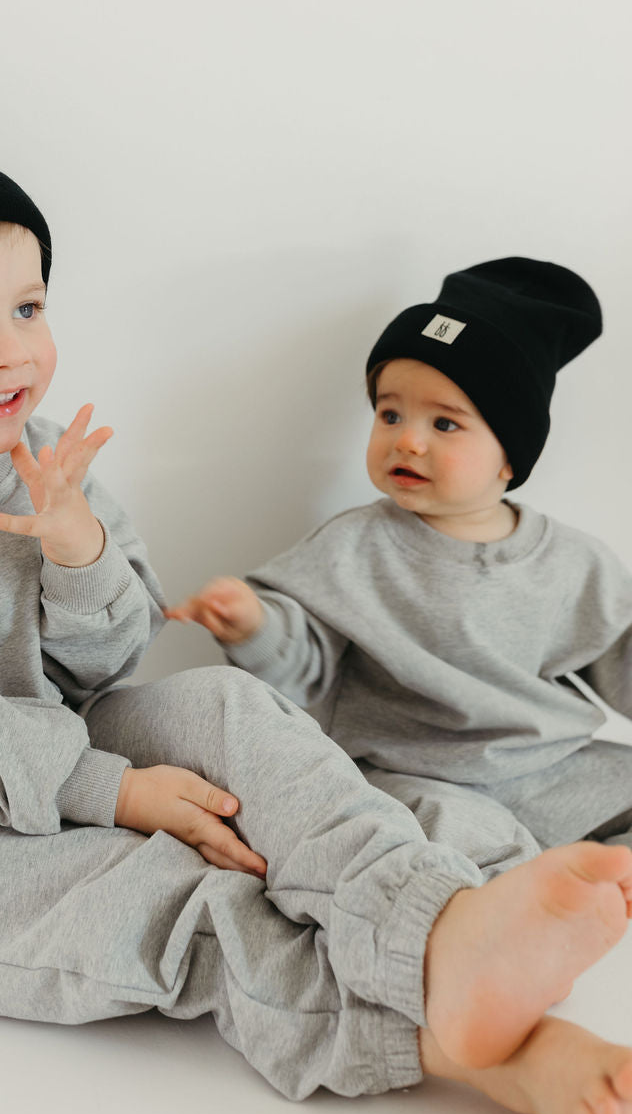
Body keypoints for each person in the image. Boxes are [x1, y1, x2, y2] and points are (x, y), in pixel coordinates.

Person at [0, 109, 632, 1114]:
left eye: (27, 305)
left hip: (67, 741)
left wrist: (76, 551)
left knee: (226, 711)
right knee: (170, 899)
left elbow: (108, 665)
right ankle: (492, 1049)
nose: (12, 350)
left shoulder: (34, 455)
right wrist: (113, 794)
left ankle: (439, 925)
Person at [169, 257, 632, 881]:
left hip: (546, 766)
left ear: (509, 456)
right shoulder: (356, 546)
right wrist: (254, 625)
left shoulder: (572, 562)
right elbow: (304, 665)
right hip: (418, 774)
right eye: (390, 415)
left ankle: (596, 875)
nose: (407, 440)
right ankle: (519, 893)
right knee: (436, 835)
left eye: (444, 423)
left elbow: (621, 658)